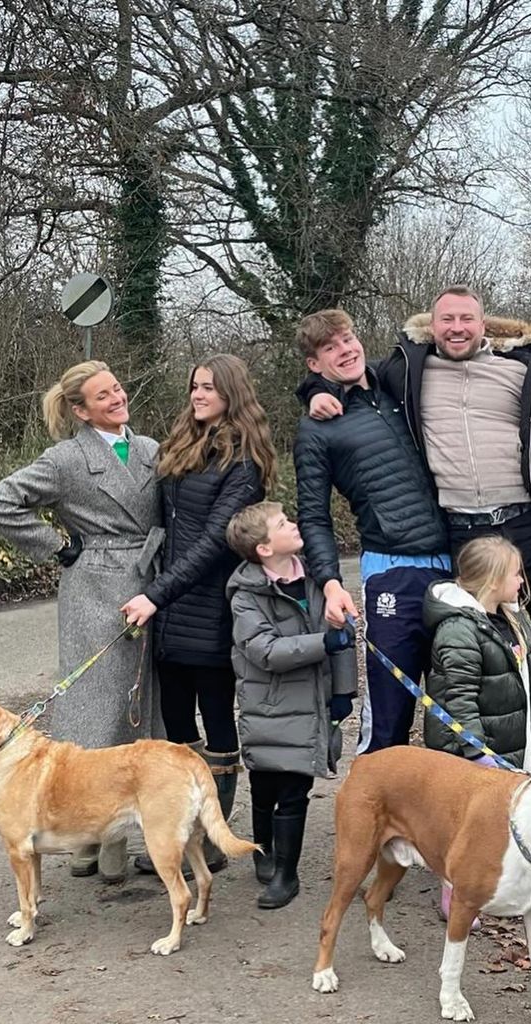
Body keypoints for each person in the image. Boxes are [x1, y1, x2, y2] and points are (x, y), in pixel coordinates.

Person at [306, 286, 531, 802]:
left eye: (466, 320)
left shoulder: (523, 369)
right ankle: (485, 781)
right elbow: (348, 375)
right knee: (475, 663)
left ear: (483, 325)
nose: (456, 328)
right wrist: (315, 391)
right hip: (465, 536)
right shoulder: (409, 371)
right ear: (432, 325)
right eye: (446, 319)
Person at [0, 360, 163, 882]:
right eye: (103, 395)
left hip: (151, 583)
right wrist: (59, 546)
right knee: (95, 710)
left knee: (143, 707)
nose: (117, 398)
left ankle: (118, 829)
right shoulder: (65, 459)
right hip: (95, 591)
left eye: (118, 388)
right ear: (80, 410)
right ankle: (96, 840)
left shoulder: (150, 449)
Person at [121, 354, 277, 875]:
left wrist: (157, 594)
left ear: (232, 391)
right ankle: (180, 835)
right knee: (175, 724)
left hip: (210, 603)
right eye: (194, 387)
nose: (198, 395)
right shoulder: (183, 445)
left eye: (208, 387)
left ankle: (214, 839)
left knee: (216, 721)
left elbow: (214, 542)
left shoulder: (245, 461)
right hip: (169, 602)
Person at [293, 309, 450, 756]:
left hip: (455, 566)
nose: (345, 351)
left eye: (348, 339)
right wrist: (330, 582)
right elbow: (314, 516)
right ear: (314, 364)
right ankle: (370, 816)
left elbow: (435, 338)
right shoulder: (315, 429)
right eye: (329, 348)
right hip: (391, 573)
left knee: (458, 703)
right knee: (389, 713)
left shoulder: (398, 387)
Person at [225, 501, 358, 909]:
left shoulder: (320, 582)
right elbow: (264, 650)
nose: (295, 525)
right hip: (268, 707)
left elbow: (343, 638)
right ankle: (262, 849)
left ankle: (286, 873)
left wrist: (343, 693)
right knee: (265, 786)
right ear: (264, 548)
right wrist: (324, 642)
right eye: (283, 524)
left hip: (312, 706)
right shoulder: (245, 595)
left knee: (296, 790)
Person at [424, 534, 531, 926]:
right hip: (475, 753)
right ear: (493, 580)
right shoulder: (459, 630)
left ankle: (496, 886)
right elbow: (457, 699)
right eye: (515, 574)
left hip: (510, 738)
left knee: (497, 823)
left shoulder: (509, 617)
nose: (521, 582)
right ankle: (455, 894)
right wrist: (476, 751)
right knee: (465, 826)